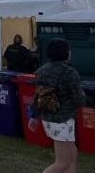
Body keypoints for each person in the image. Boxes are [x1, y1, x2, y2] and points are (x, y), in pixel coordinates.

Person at [28, 39, 85, 173]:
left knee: (72, 155)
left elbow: (37, 96)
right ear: (66, 53)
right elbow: (79, 99)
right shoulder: (70, 73)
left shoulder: (41, 70)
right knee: (62, 163)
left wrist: (34, 116)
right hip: (63, 120)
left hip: (48, 118)